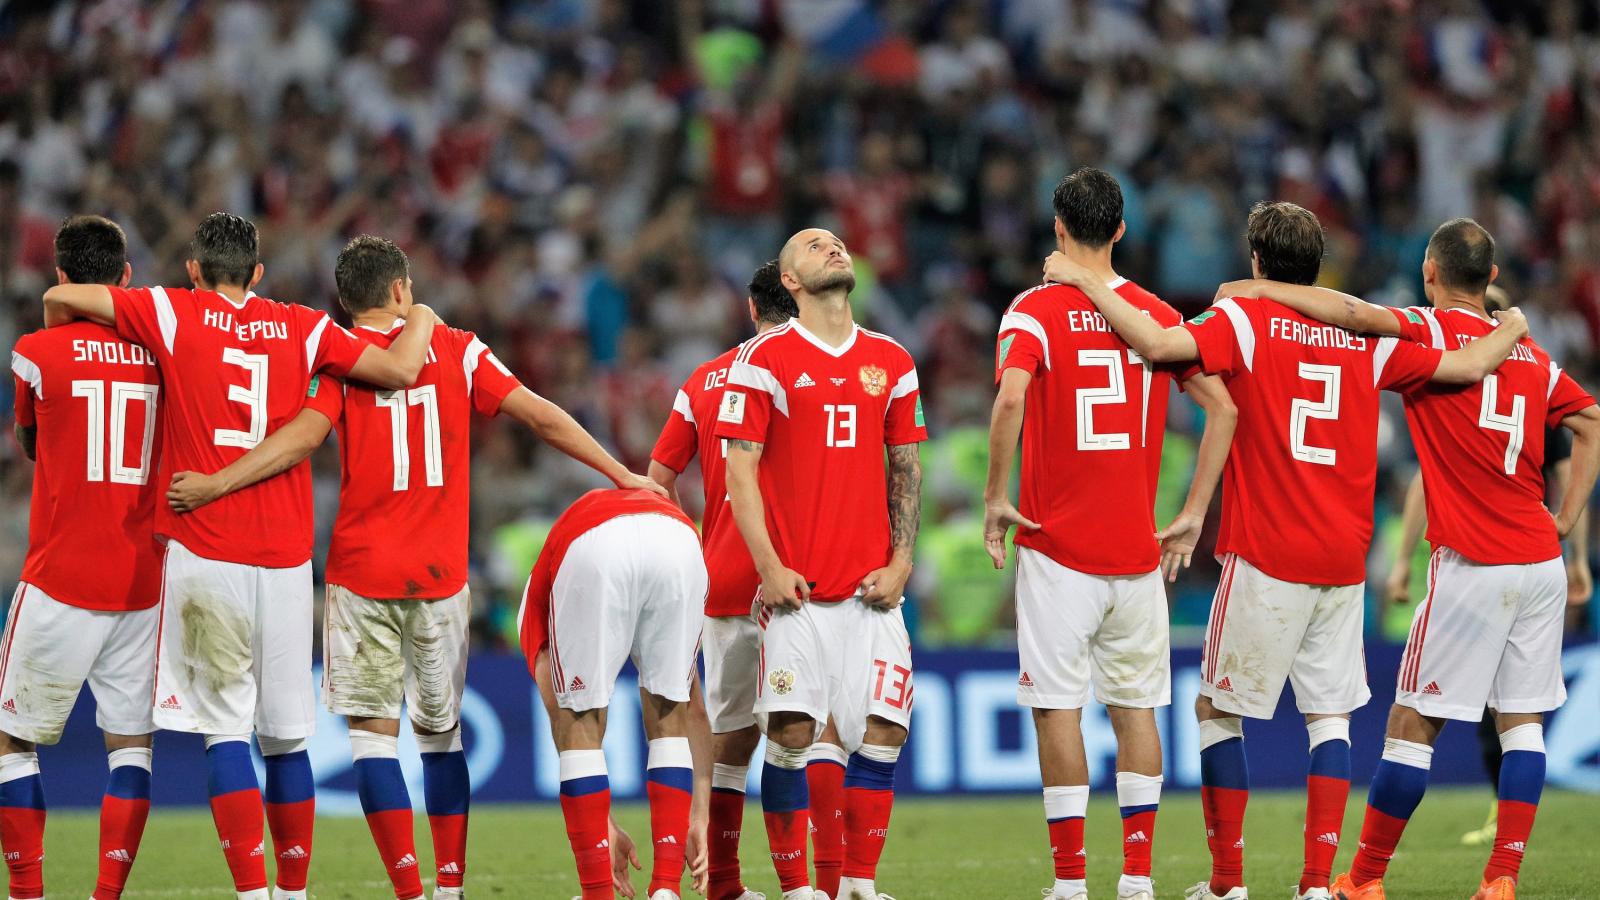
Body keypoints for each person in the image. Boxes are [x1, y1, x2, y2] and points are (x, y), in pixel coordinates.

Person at [1044, 202, 1528, 900]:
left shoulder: (1244, 318)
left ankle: (1228, 883)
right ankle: (1315, 886)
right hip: (1343, 557)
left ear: (1257, 261)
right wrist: (1513, 326)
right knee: (1329, 719)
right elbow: (1468, 365)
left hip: (1267, 550)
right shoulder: (1367, 337)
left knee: (1218, 711)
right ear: (1316, 265)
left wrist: (1086, 280)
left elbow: (1156, 344)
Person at [163, 235, 665, 900]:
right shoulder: (458, 348)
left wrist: (219, 482)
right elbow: (541, 417)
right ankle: (450, 889)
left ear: (346, 301)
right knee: (441, 740)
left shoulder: (339, 359)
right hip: (439, 577)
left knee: (373, 745)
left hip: (362, 574)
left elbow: (303, 439)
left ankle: (409, 892)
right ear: (401, 289)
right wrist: (622, 472)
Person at [41, 212, 437, 900]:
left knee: (224, 734)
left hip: (206, 550)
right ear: (257, 273)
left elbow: (63, 296)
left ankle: (253, 893)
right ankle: (292, 893)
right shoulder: (304, 326)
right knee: (286, 740)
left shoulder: (170, 310)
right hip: (284, 560)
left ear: (193, 269)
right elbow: (402, 369)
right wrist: (422, 312)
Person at [1213, 218, 1600, 900]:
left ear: (1430, 273)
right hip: (1539, 560)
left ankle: (1364, 879)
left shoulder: (1428, 330)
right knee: (1522, 725)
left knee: (1411, 723)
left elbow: (1351, 313)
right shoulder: (1534, 357)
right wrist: (1566, 521)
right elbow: (1590, 420)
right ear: (1490, 276)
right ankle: (1502, 878)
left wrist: (1258, 289)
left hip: (1475, 560)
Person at [985, 168, 1237, 900]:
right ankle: (1136, 878)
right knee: (1135, 710)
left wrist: (996, 495)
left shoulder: (1033, 310)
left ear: (1058, 227)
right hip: (1136, 553)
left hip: (1057, 549)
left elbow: (1010, 398)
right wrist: (1194, 510)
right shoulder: (1155, 315)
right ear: (1123, 229)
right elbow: (1223, 409)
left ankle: (1070, 884)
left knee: (1057, 709)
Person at [718, 228, 926, 900]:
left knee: (886, 732)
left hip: (872, 589)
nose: (832, 247)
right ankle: (798, 888)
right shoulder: (764, 359)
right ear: (790, 280)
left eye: (835, 242)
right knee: (790, 734)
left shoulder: (892, 359)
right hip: (798, 591)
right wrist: (769, 567)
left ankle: (860, 882)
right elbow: (739, 472)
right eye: (813, 246)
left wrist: (903, 559)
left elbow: (906, 466)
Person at [3, 216, 160, 900]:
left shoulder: (36, 351)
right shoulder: (165, 357)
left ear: (61, 277)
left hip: (60, 575)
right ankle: (105, 895)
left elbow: (30, 441)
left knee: (12, 740)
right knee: (131, 748)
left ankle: (28, 894)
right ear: (125, 277)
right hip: (141, 581)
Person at [648, 259, 800, 900]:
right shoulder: (819, 369)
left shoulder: (704, 379)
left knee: (732, 738)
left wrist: (697, 547)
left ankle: (726, 885)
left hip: (724, 582)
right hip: (798, 578)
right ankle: (815, 883)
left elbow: (658, 480)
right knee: (809, 732)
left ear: (750, 308)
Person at [516, 488, 707, 900]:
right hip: (681, 538)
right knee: (670, 711)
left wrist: (599, 823)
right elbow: (694, 707)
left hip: (594, 541)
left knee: (579, 720)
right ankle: (667, 887)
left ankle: (597, 892)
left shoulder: (536, 597)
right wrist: (699, 813)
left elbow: (562, 712)